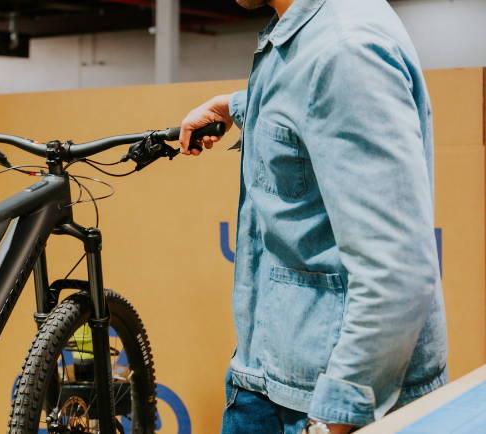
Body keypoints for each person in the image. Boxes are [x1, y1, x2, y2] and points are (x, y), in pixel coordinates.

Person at [179, 0, 447, 433]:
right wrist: (237, 106)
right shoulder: (308, 32)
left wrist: (330, 420)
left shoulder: (346, 51)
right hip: (273, 380)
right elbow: (309, 105)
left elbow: (397, 271)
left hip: (318, 403)